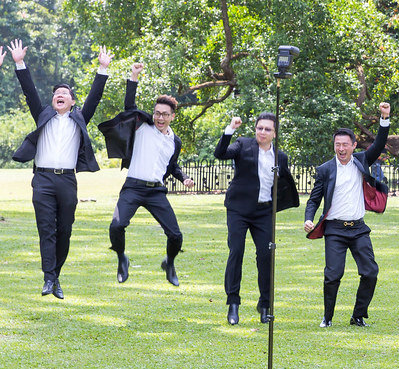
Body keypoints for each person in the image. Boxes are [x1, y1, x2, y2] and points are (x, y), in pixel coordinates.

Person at [7, 39, 111, 299]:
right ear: (53, 100)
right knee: (46, 229)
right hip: (42, 179)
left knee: (65, 229)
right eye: (56, 94)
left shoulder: (79, 119)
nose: (59, 95)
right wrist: (19, 63)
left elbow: (95, 98)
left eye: (64, 93)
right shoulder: (43, 115)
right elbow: (30, 91)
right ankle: (48, 278)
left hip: (67, 181)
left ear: (72, 102)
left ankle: (56, 276)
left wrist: (102, 69)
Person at [98, 63, 195, 286]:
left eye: (165, 114)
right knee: (116, 226)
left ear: (172, 116)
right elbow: (130, 105)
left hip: (156, 192)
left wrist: (183, 178)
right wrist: (134, 76)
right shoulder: (142, 127)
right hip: (133, 187)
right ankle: (122, 258)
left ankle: (169, 263)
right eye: (157, 113)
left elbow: (172, 166)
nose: (160, 118)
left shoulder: (174, 141)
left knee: (176, 236)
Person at [304, 103, 391, 328]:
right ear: (334, 146)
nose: (341, 148)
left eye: (345, 144)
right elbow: (314, 198)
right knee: (333, 275)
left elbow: (380, 144)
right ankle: (328, 317)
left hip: (359, 228)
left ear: (353, 145)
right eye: (337, 144)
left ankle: (358, 315)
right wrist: (308, 218)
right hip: (335, 230)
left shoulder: (361, 161)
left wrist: (384, 118)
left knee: (370, 272)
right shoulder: (325, 169)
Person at [214, 114, 299, 325]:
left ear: (274, 133)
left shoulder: (281, 157)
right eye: (259, 128)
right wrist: (230, 129)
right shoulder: (243, 145)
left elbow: (283, 184)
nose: (262, 132)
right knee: (236, 251)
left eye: (267, 129)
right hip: (239, 210)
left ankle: (265, 304)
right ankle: (233, 303)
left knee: (266, 255)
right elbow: (221, 153)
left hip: (263, 212)